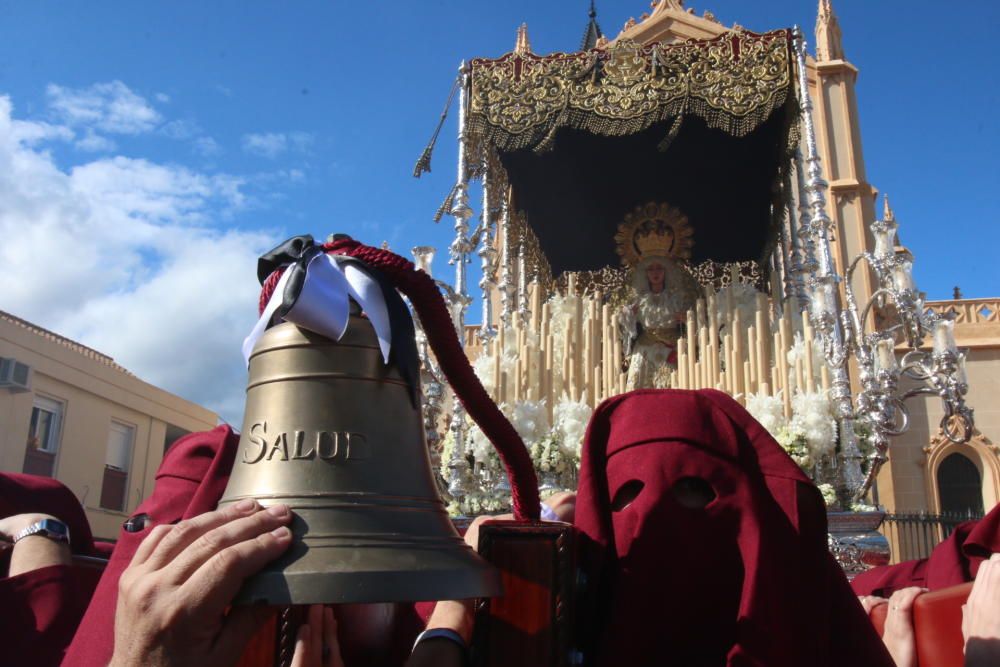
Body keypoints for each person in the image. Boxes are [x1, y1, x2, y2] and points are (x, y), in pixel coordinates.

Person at [621, 256, 691, 390]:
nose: (655, 273)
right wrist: (629, 315)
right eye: (651, 269)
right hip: (645, 347)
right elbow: (625, 326)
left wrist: (686, 318)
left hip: (671, 346)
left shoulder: (676, 298)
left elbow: (695, 321)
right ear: (645, 273)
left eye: (659, 268)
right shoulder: (639, 299)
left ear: (666, 272)